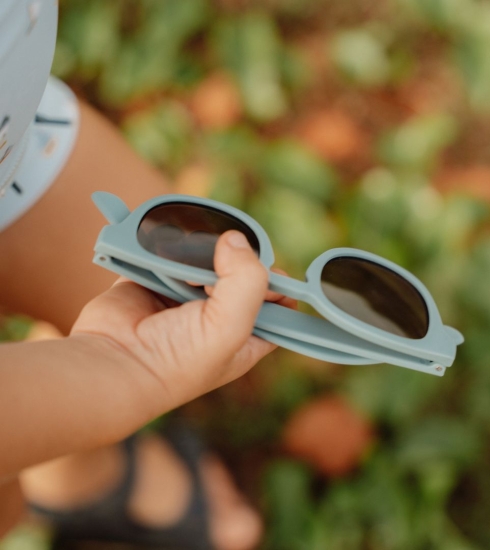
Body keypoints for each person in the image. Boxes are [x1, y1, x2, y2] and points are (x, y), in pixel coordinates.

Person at [0, 2, 292, 549]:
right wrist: (126, 370)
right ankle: (75, 478)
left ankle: (63, 466)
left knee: (155, 277)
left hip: (14, 125)